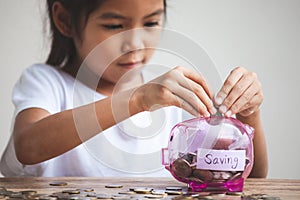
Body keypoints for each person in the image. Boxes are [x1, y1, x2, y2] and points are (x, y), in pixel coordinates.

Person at [0, 0, 268, 177]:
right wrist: (137, 99)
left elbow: (253, 179)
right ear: (65, 20)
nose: (136, 43)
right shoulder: (46, 82)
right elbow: (28, 147)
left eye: (151, 23)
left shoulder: (176, 96)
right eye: (115, 26)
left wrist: (248, 114)